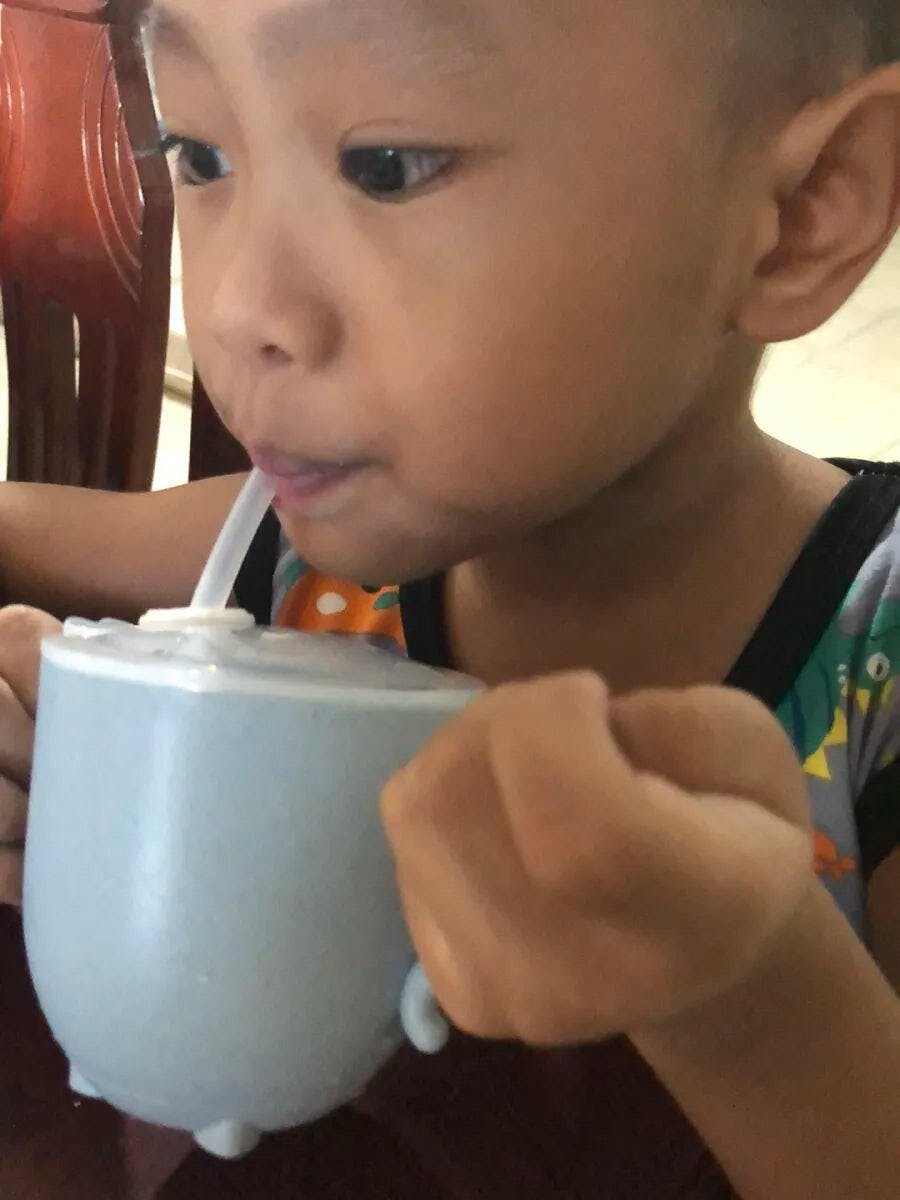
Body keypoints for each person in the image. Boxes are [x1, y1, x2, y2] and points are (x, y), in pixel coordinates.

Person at [1, 1, 898, 1195]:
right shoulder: (295, 563)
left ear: (801, 214)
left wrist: (747, 991)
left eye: (387, 165)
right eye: (201, 152)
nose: (234, 311)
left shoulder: (874, 655)